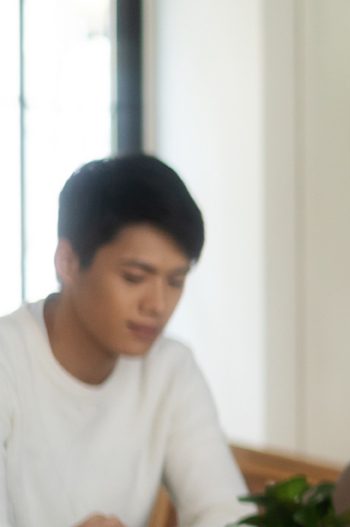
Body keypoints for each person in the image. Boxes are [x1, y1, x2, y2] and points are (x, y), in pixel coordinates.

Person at [0, 156, 253, 526]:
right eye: (135, 277)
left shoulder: (170, 368)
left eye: (175, 281)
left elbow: (229, 515)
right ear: (68, 262)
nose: (157, 305)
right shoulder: (9, 360)